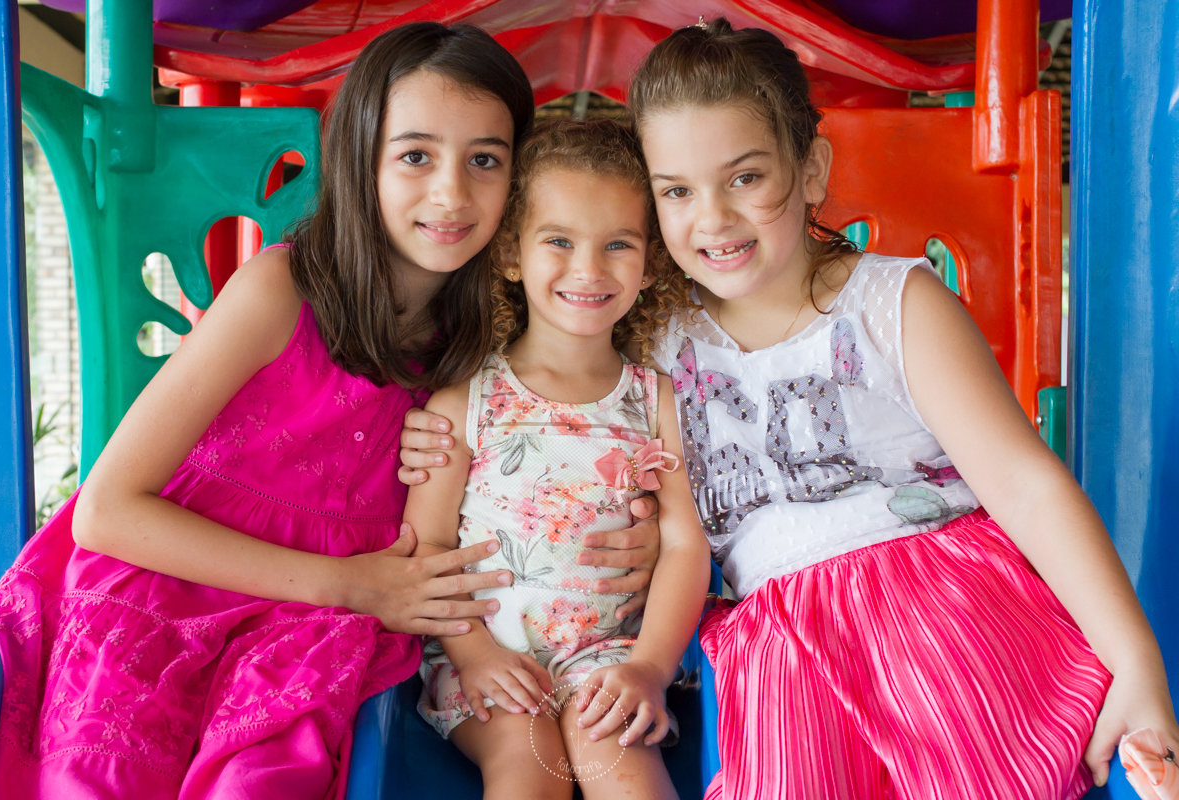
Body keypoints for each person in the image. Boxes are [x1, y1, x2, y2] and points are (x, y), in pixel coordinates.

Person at [402, 18, 1179, 800]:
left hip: (931, 605)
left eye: (744, 178)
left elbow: (1027, 488)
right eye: (677, 191)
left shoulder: (892, 305)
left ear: (812, 170)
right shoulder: (658, 340)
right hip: (781, 645)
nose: (712, 217)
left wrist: (1138, 665)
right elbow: (572, 432)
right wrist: (433, 438)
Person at [0, 23, 654, 799]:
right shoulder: (281, 292)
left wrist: (632, 534)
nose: (451, 193)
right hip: (170, 596)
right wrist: (348, 585)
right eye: (415, 156)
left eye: (484, 159)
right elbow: (105, 512)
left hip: (310, 638)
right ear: (361, 158)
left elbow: (556, 470)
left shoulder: (491, 344)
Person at [405, 119, 709, 800]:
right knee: (528, 763)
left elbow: (684, 543)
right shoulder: (465, 400)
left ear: (651, 262)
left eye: (618, 244)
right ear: (512, 252)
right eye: (560, 241)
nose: (589, 268)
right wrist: (476, 655)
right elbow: (428, 545)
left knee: (620, 766)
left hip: (609, 655)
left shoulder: (656, 400)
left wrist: (651, 667)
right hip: (483, 651)